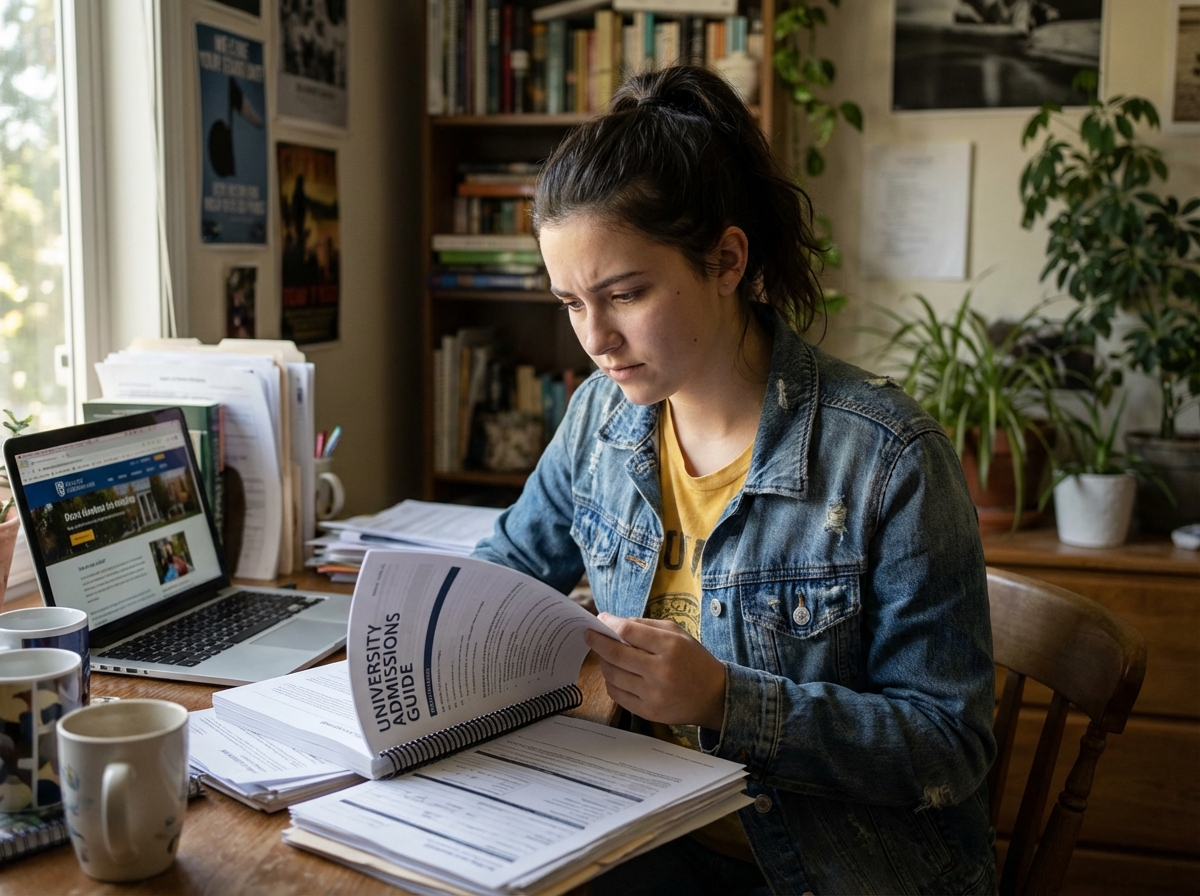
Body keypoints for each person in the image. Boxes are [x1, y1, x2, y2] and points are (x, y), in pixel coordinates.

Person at [472, 64, 996, 896]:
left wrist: (724, 699)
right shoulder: (600, 420)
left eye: (624, 294)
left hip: (828, 870)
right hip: (642, 828)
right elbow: (501, 574)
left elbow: (947, 747)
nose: (596, 339)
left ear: (726, 260)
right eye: (571, 303)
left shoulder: (887, 457)